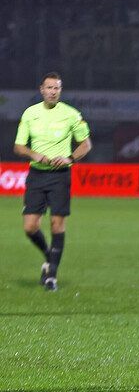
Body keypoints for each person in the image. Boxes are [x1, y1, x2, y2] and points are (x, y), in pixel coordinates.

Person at [13, 72, 92, 292]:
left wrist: (70, 158)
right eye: (49, 88)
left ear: (60, 90)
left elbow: (85, 144)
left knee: (57, 224)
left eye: (56, 88)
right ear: (41, 90)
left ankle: (51, 276)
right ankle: (50, 256)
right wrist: (33, 154)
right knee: (30, 227)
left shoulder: (71, 114)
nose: (52, 92)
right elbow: (18, 146)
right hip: (37, 174)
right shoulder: (31, 113)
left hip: (60, 176)